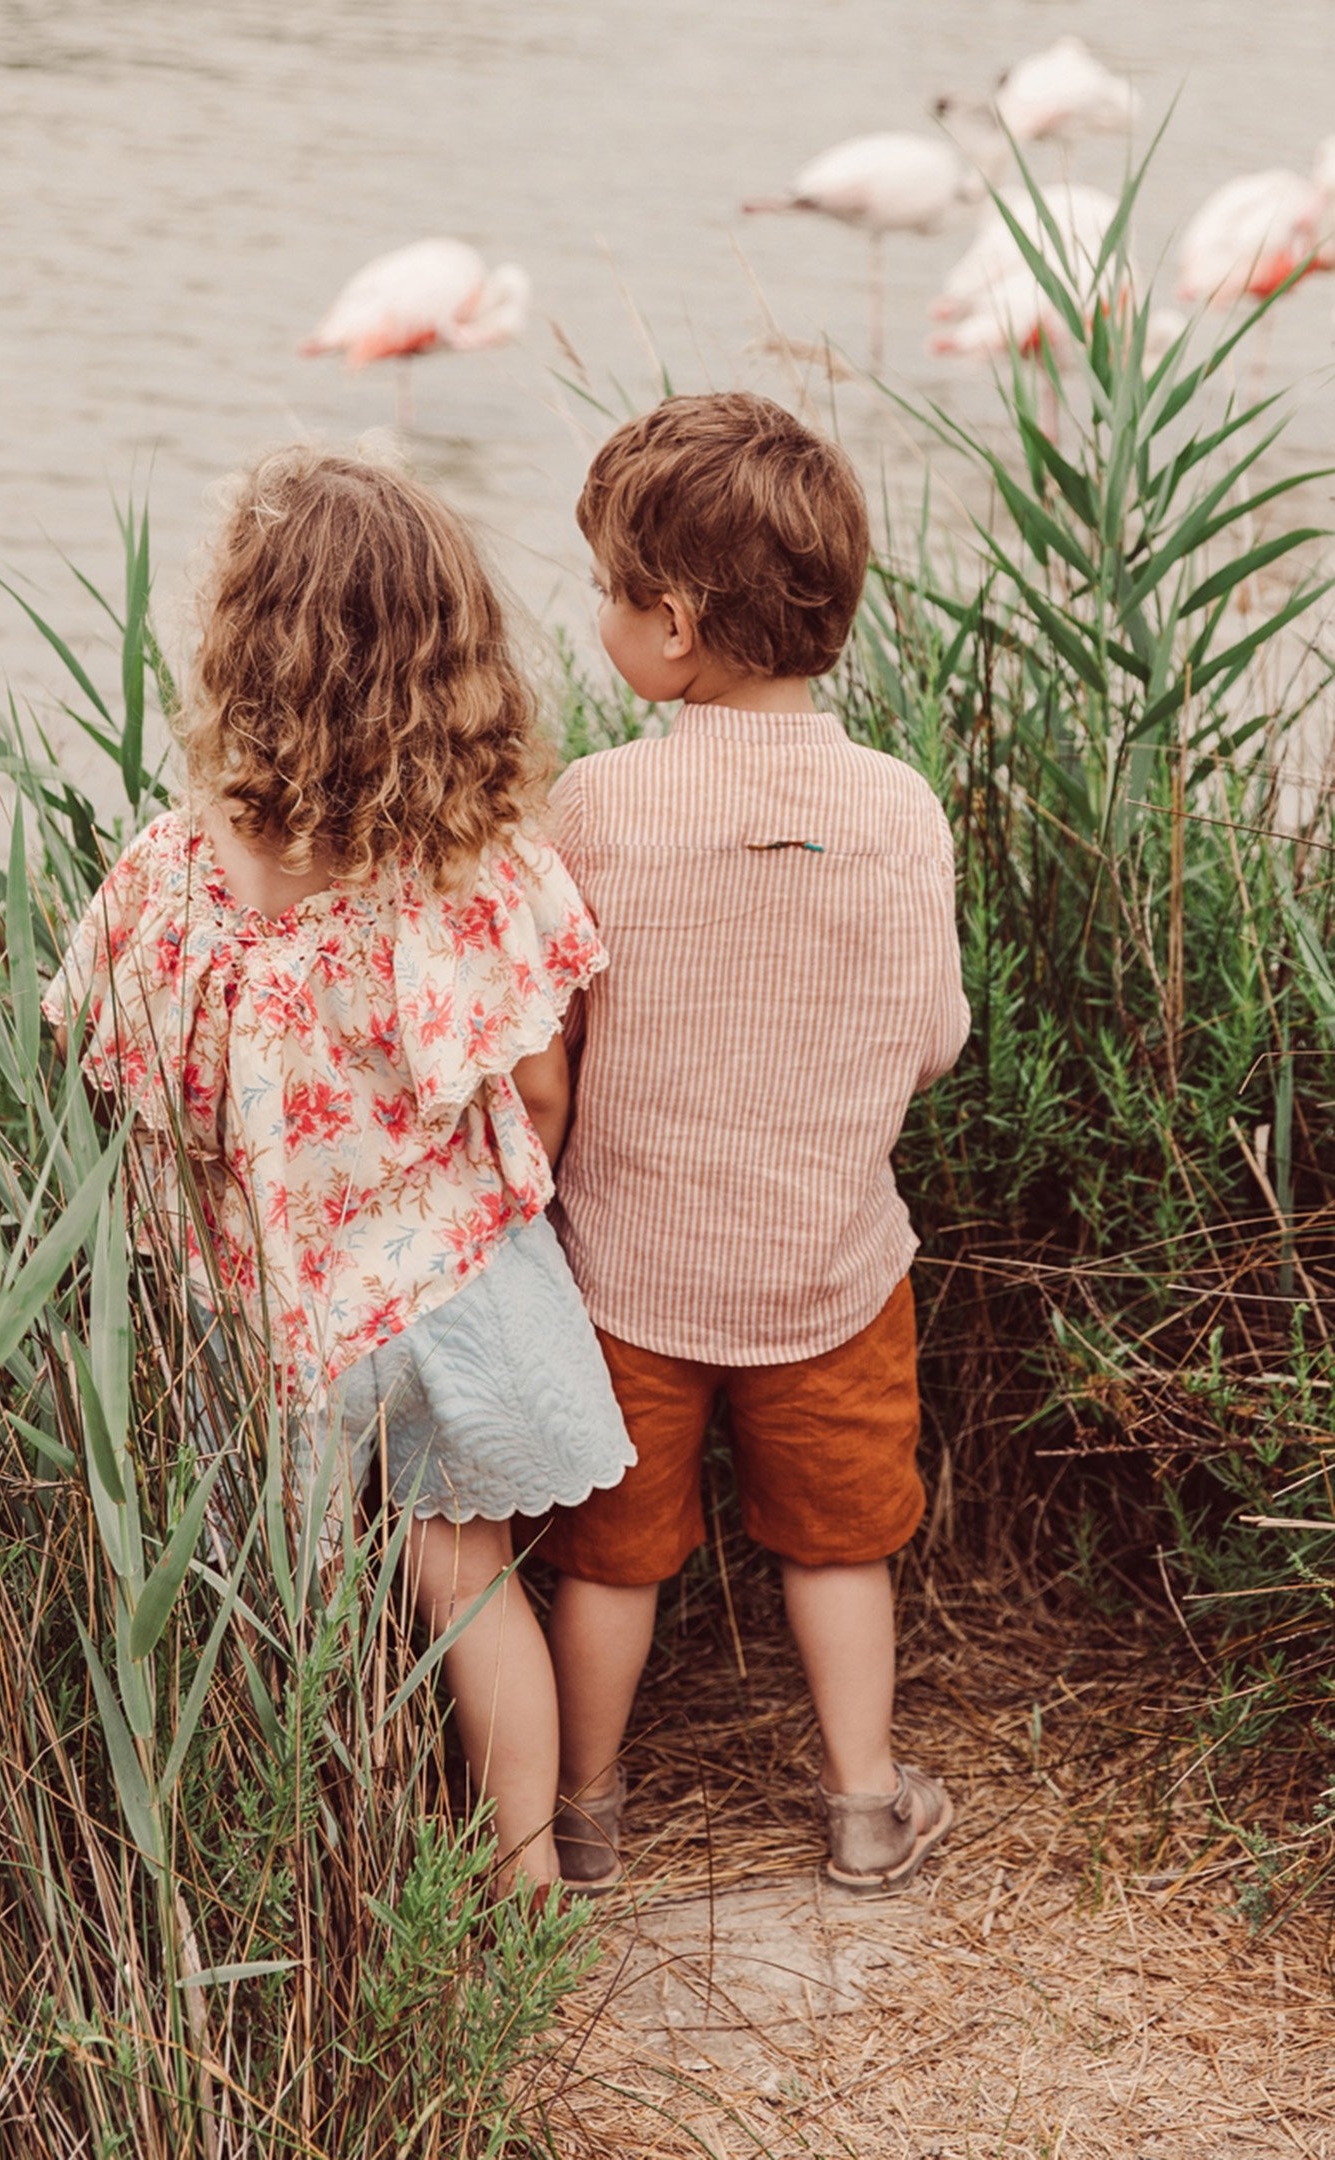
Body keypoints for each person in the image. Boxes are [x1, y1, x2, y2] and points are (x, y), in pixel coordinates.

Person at [43, 445, 635, 1892]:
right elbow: (540, 1075)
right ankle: (525, 1874)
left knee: (292, 1602)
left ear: (240, 646)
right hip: (440, 1279)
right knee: (465, 1576)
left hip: (257, 1307)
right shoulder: (479, 872)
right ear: (455, 662)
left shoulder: (168, 876)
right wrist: (509, 1199)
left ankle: (341, 1869)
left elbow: (89, 1062)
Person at [542, 392, 970, 1897]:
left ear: (668, 626)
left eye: (607, 588)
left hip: (625, 1277)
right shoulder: (900, 810)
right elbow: (933, 1038)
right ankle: (863, 1806)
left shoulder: (595, 808)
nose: (599, 613)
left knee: (611, 1557)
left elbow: (557, 1038)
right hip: (832, 1268)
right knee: (840, 1542)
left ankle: (583, 1811)